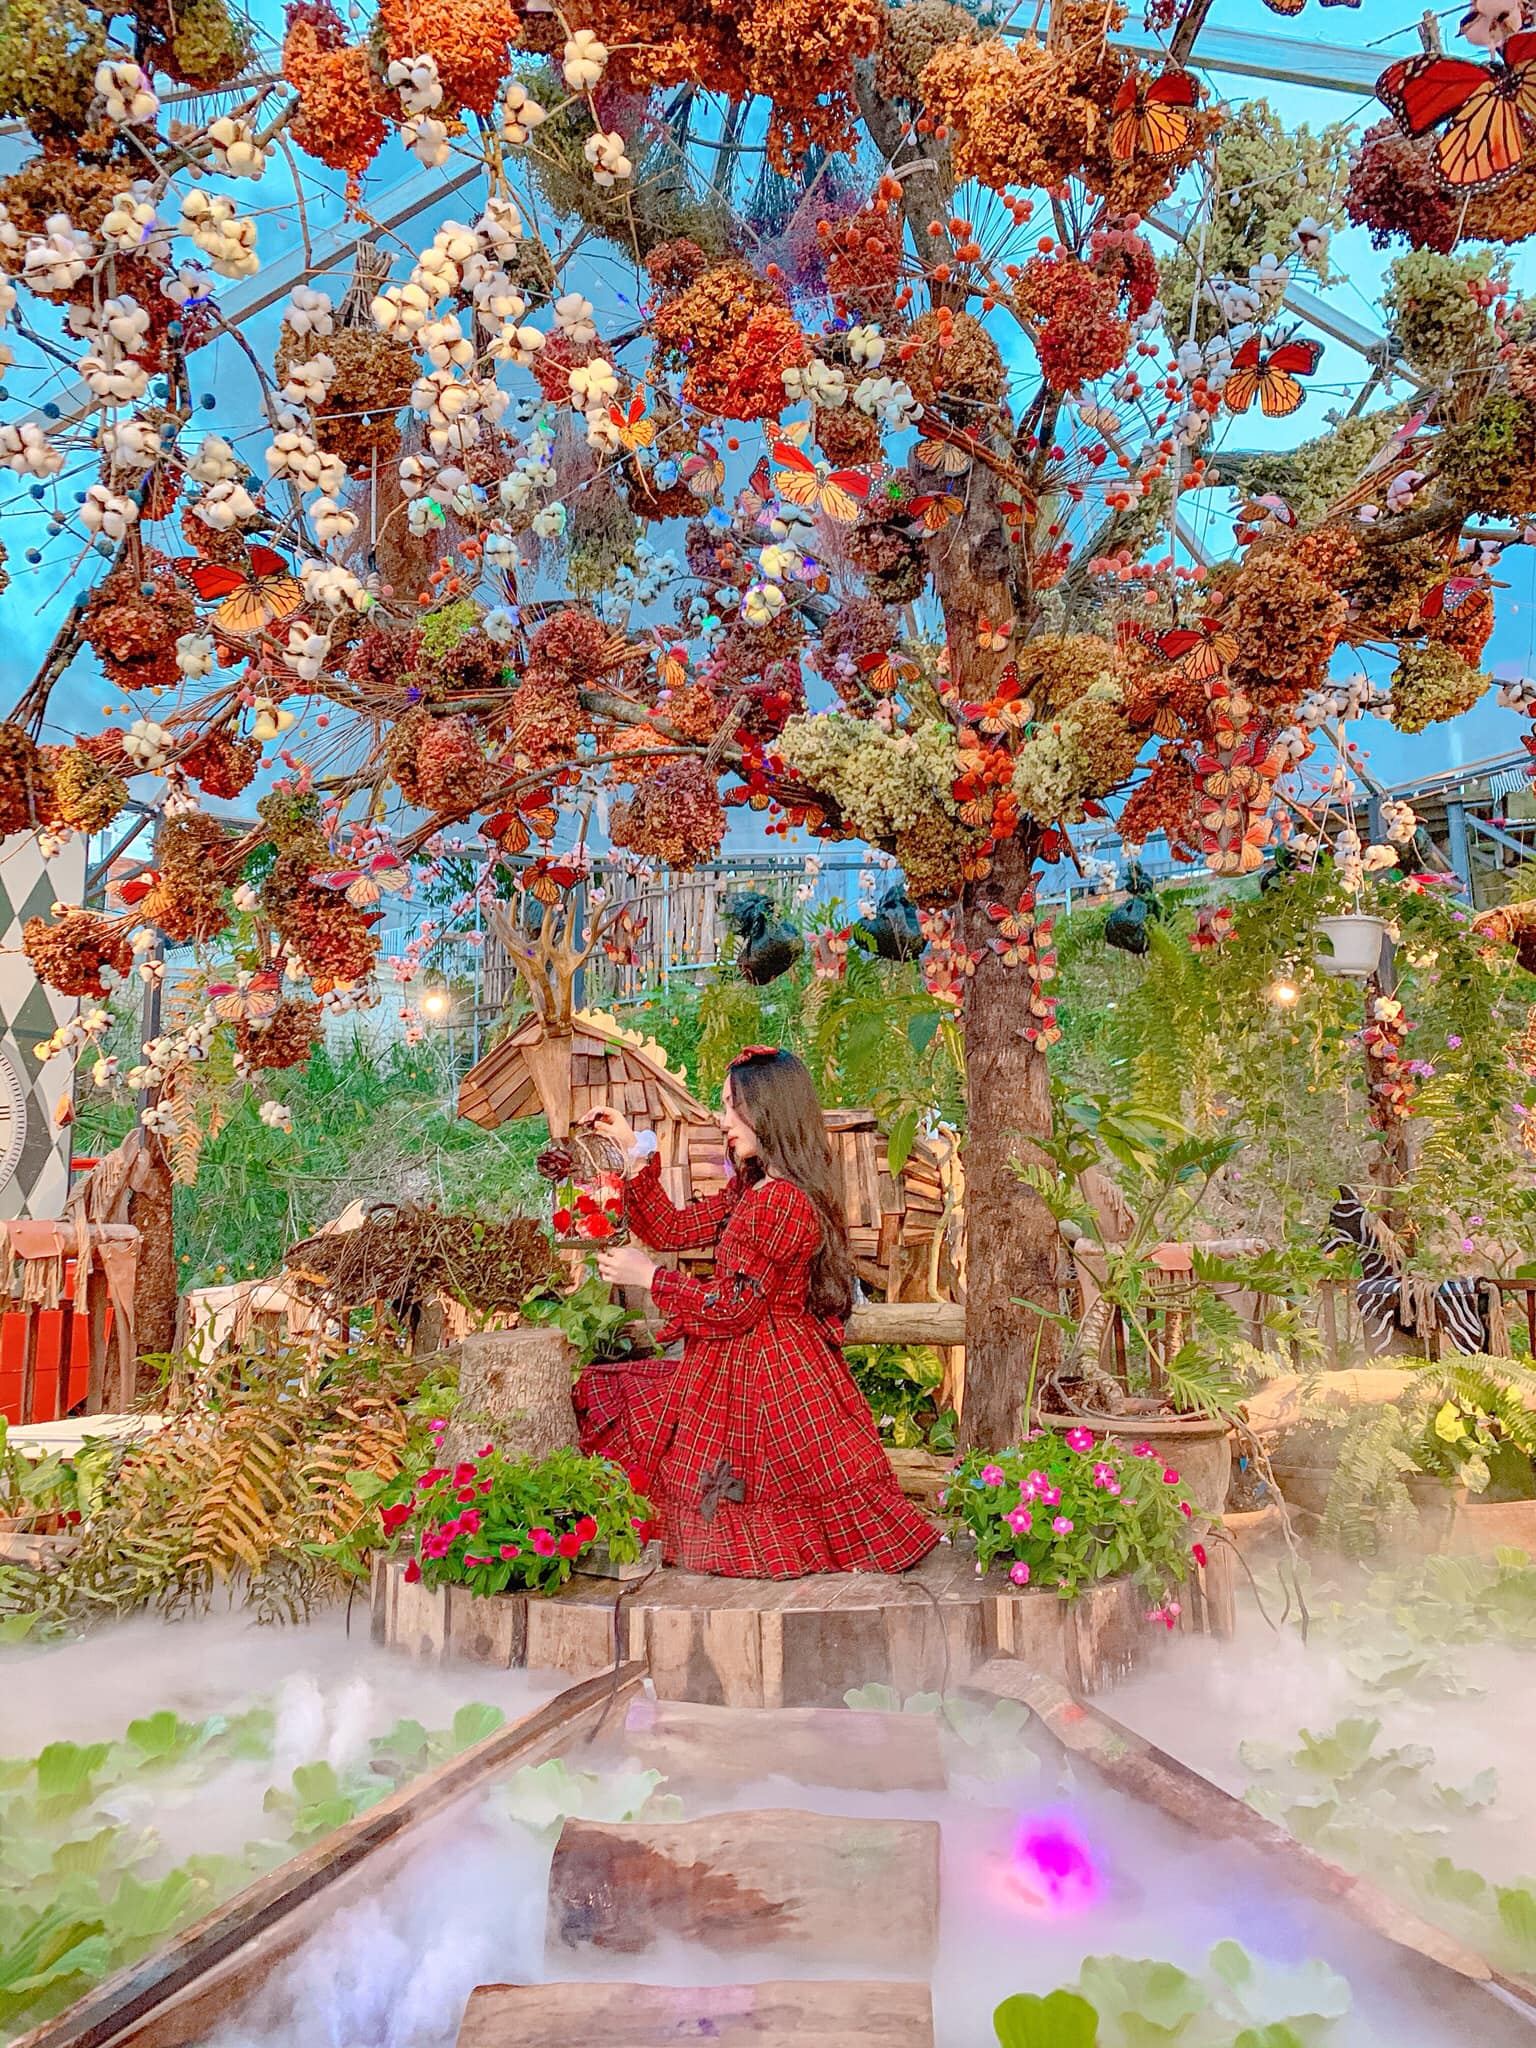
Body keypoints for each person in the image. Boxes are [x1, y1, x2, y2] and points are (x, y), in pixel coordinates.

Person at [574, 1046, 939, 1579]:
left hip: (772, 1373)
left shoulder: (781, 1200)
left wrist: (651, 1278)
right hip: (737, 1364)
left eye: (733, 1106)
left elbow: (735, 1307)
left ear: (770, 1110)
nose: (724, 1120)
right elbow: (673, 1230)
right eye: (724, 1105)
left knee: (760, 1478)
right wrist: (632, 1148)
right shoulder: (753, 1188)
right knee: (621, 1397)